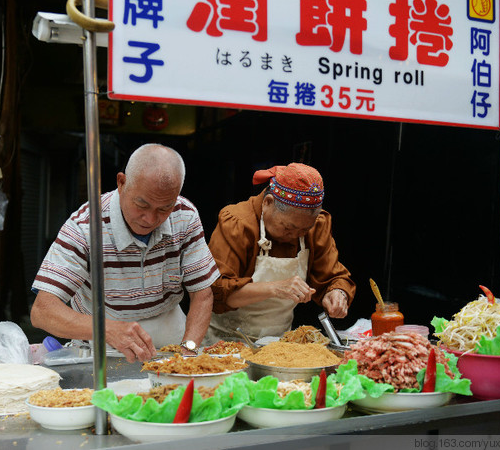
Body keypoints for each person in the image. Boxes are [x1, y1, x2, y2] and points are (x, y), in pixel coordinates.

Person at [31, 144, 219, 362]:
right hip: (101, 347)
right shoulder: (86, 225)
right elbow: (42, 311)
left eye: (163, 209)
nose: (150, 219)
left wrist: (188, 350)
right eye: (142, 204)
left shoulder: (184, 216)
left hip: (172, 344)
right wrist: (107, 330)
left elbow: (202, 294)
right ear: (121, 183)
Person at [206, 163, 355, 342]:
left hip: (278, 343)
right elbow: (216, 293)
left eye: (304, 230)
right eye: (288, 227)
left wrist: (337, 293)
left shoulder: (316, 225)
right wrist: (275, 288)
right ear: (268, 203)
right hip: (225, 340)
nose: (294, 236)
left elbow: (333, 277)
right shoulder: (238, 223)